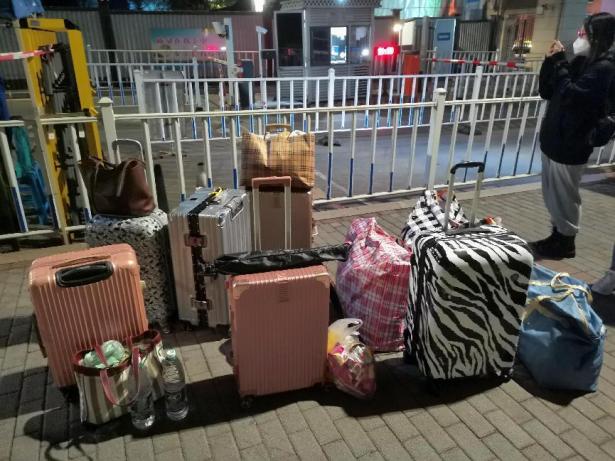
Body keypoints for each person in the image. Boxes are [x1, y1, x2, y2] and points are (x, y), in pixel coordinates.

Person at [531, 12, 615, 259]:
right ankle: (557, 235)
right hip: (555, 138)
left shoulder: (605, 68)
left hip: (572, 143)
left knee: (565, 196)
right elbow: (548, 90)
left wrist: (560, 63)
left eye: (583, 33)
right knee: (552, 195)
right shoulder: (582, 62)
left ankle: (565, 242)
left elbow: (573, 97)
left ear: (598, 37)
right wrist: (551, 62)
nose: (578, 37)